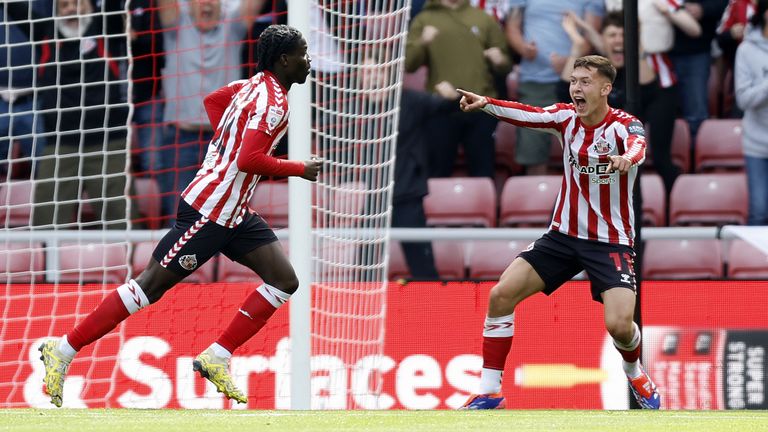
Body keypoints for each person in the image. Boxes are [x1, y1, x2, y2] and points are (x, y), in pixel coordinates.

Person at [36, 24, 322, 408]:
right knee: (148, 287)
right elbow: (249, 159)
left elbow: (212, 100)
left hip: (234, 213)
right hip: (208, 212)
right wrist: (299, 167)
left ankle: (217, 357)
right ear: (285, 60)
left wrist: (228, 141)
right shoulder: (273, 103)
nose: (308, 60)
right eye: (303, 53)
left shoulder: (251, 86)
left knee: (284, 281)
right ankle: (64, 348)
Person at [455, 55, 661, 410]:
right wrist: (487, 104)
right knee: (501, 295)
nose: (576, 88)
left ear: (605, 89)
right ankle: (490, 392)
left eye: (584, 82)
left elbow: (638, 145)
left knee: (620, 326)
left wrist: (628, 158)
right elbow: (527, 112)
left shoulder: (625, 125)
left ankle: (635, 371)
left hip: (610, 240)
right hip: (562, 236)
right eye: (574, 81)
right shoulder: (566, 118)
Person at [6, 0, 134, 229]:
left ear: (92, 7)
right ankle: (47, 264)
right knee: (46, 220)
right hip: (61, 146)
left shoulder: (107, 26)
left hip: (108, 144)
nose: (71, 9)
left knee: (122, 220)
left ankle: (135, 264)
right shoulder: (46, 33)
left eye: (78, 4)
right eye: (64, 5)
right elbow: (14, 6)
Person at [157, 0, 263, 223]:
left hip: (225, 142)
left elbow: (252, 6)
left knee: (227, 219)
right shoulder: (176, 23)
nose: (205, 3)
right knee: (179, 221)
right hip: (181, 139)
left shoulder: (232, 24)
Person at [405, 0, 512, 179]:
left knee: (483, 170)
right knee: (437, 171)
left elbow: (505, 66)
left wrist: (500, 60)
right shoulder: (425, 19)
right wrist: (422, 42)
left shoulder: (483, 18)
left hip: (479, 105)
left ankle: (484, 205)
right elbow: (409, 64)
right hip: (440, 106)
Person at [506, 0, 604, 175]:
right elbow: (512, 27)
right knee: (533, 150)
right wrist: (523, 47)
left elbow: (592, 35)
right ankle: (538, 196)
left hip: (579, 82)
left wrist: (569, 63)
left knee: (587, 148)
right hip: (535, 82)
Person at [734, 0, 768, 225]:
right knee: (759, 211)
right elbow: (743, 99)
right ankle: (755, 261)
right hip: (758, 145)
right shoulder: (746, 49)